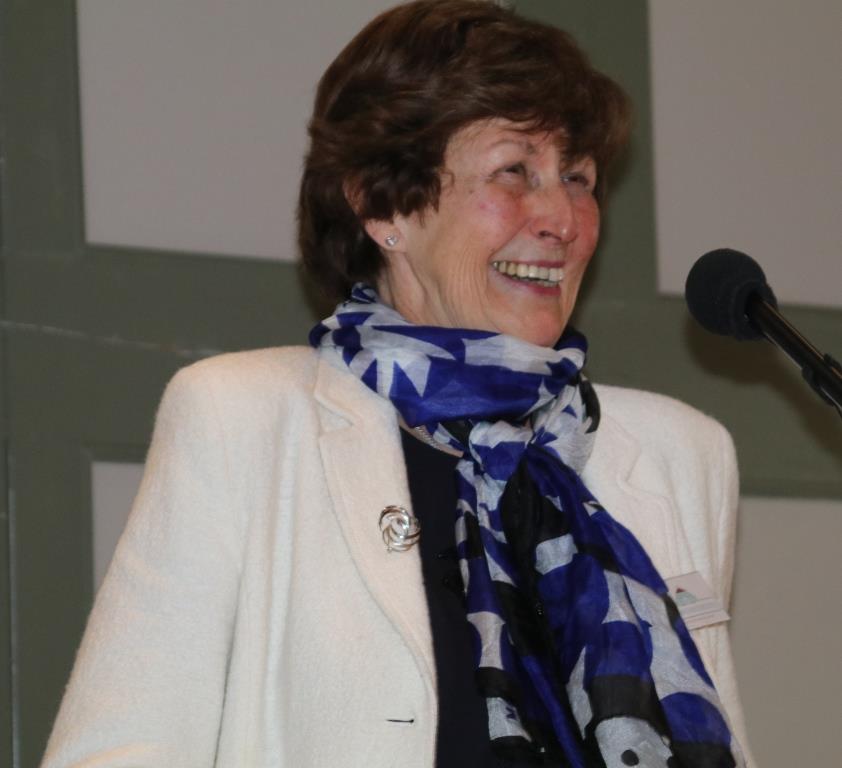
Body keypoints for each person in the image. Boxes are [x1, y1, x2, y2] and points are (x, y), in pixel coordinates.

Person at [42, 2, 753, 766]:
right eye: (515, 171)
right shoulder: (240, 420)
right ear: (385, 205)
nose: (563, 217)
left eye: (577, 176)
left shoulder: (680, 455)